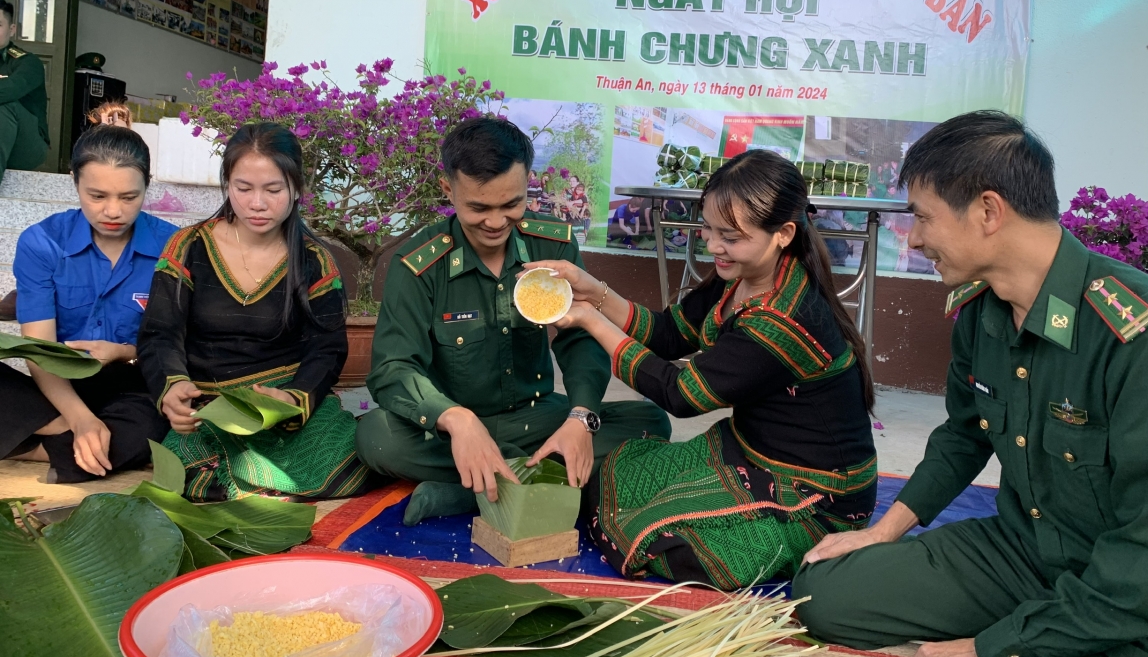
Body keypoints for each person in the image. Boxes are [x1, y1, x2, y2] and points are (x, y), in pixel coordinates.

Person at [793, 111, 1148, 657]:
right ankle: (1050, 640)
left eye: (923, 217)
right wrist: (883, 532)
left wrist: (994, 651)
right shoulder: (983, 313)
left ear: (987, 211)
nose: (914, 238)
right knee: (823, 594)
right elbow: (963, 435)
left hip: (1136, 590)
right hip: (1026, 554)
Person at [537, 149, 877, 588]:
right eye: (710, 230)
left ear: (784, 234)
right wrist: (592, 290)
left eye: (730, 236)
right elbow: (667, 334)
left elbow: (681, 395)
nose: (714, 246)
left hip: (814, 494)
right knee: (617, 477)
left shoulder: (782, 319)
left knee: (670, 548)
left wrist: (588, 319)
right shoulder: (740, 273)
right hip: (749, 451)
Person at [357, 117, 670, 525]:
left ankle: (469, 491)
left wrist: (581, 418)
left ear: (528, 183)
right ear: (447, 189)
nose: (495, 222)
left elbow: (579, 339)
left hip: (534, 417)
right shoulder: (419, 264)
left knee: (650, 422)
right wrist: (457, 419)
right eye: (478, 207)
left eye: (511, 204)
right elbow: (391, 368)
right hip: (450, 429)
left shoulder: (552, 245)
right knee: (377, 438)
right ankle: (532, 477)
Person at [138, 122, 369, 501]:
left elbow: (326, 348)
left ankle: (265, 486)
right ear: (227, 183)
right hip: (211, 407)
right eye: (243, 188)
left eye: (273, 189)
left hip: (281, 408)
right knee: (194, 476)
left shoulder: (313, 260)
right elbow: (160, 332)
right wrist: (173, 386)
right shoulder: (188, 246)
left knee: (346, 459)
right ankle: (261, 490)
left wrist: (295, 399)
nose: (257, 203)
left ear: (296, 189)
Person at [1, 126, 173, 482]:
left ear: (147, 186)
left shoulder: (171, 247)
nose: (113, 211)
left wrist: (124, 352)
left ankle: (35, 445)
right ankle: (76, 440)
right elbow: (40, 350)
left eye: (129, 197)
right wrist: (79, 419)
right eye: (97, 195)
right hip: (55, 384)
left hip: (132, 384)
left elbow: (173, 347)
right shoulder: (43, 242)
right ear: (74, 181)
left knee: (145, 428)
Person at [0, 0, 49, 185]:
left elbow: (9, 90)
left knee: (5, 105)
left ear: (11, 29)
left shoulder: (29, 63)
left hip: (28, 145)